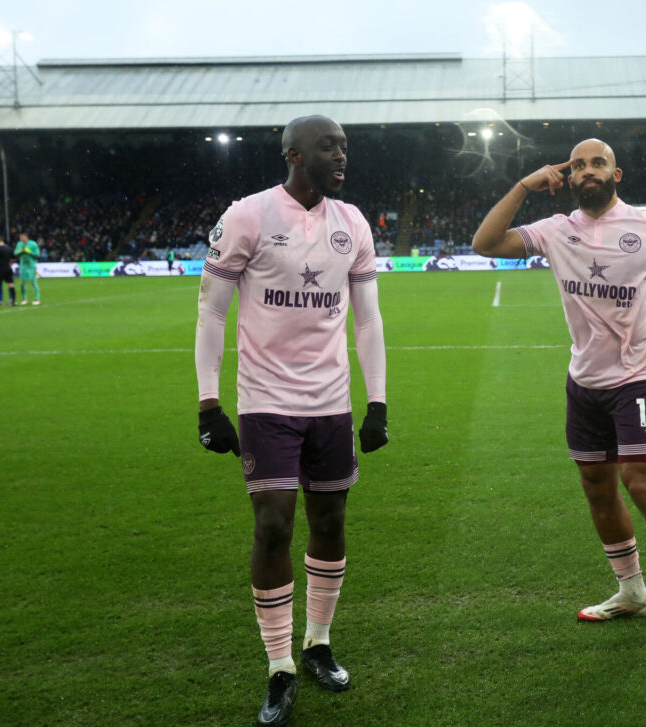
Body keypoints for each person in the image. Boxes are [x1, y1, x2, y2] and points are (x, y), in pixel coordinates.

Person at [471, 138, 646, 652]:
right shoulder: (556, 230)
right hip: (584, 379)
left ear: (616, 173)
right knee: (596, 485)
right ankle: (632, 591)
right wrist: (525, 184)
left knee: (640, 482)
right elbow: (485, 243)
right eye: (580, 164)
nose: (588, 170)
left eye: (598, 163)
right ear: (569, 175)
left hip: (638, 375)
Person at [194, 114, 388, 726]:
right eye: (329, 146)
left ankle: (318, 643)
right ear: (294, 154)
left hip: (330, 403)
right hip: (266, 401)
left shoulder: (352, 222)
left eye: (345, 146)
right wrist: (208, 403)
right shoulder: (249, 215)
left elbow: (367, 320)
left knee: (329, 521)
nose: (342, 156)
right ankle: (279, 666)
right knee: (274, 525)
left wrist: (377, 401)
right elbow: (212, 313)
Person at [14, 233, 41, 305]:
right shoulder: (19, 244)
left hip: (31, 265)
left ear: (26, 238)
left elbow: (37, 254)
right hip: (23, 266)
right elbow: (15, 253)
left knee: (33, 282)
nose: (21, 239)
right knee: (22, 283)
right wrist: (20, 251)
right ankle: (24, 299)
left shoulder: (33, 244)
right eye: (20, 238)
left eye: (22, 238)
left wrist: (29, 252)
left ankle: (37, 299)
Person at [0, 237, 16, 307]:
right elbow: (13, 259)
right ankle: (13, 301)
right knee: (11, 284)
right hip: (8, 268)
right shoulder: (10, 249)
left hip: (0, 269)